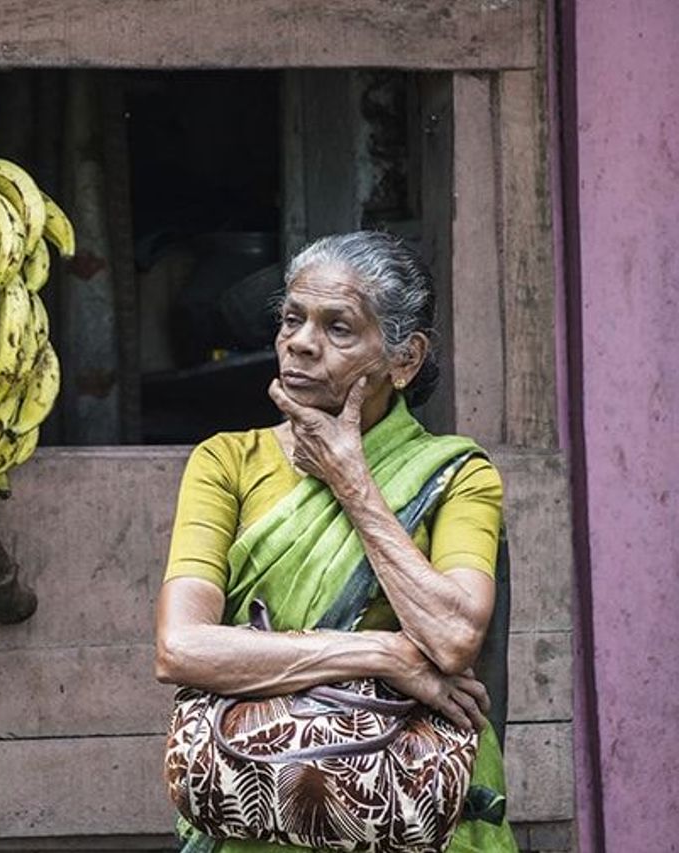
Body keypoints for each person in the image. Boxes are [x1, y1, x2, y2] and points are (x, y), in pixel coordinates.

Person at [154, 231, 518, 852]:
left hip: (413, 820)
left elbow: (454, 637)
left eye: (338, 327)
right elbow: (181, 649)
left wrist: (353, 482)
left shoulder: (458, 475)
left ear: (404, 359)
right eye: (292, 319)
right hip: (256, 814)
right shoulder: (227, 463)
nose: (299, 342)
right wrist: (382, 655)